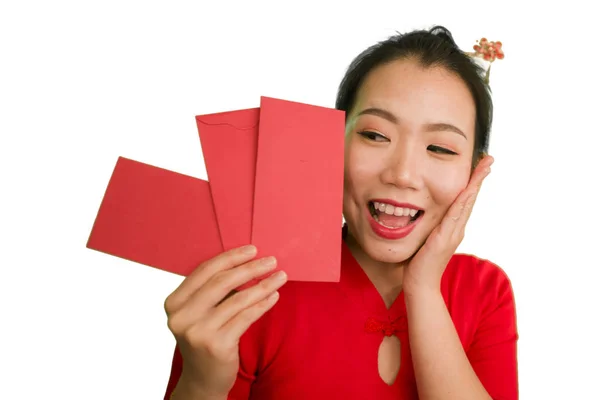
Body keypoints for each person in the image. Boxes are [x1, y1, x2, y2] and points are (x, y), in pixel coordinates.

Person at [162, 25, 518, 400]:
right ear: (330, 143)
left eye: (441, 148)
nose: (402, 174)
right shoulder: (254, 284)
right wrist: (202, 383)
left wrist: (423, 288)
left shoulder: (485, 292)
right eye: (375, 136)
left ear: (476, 170)